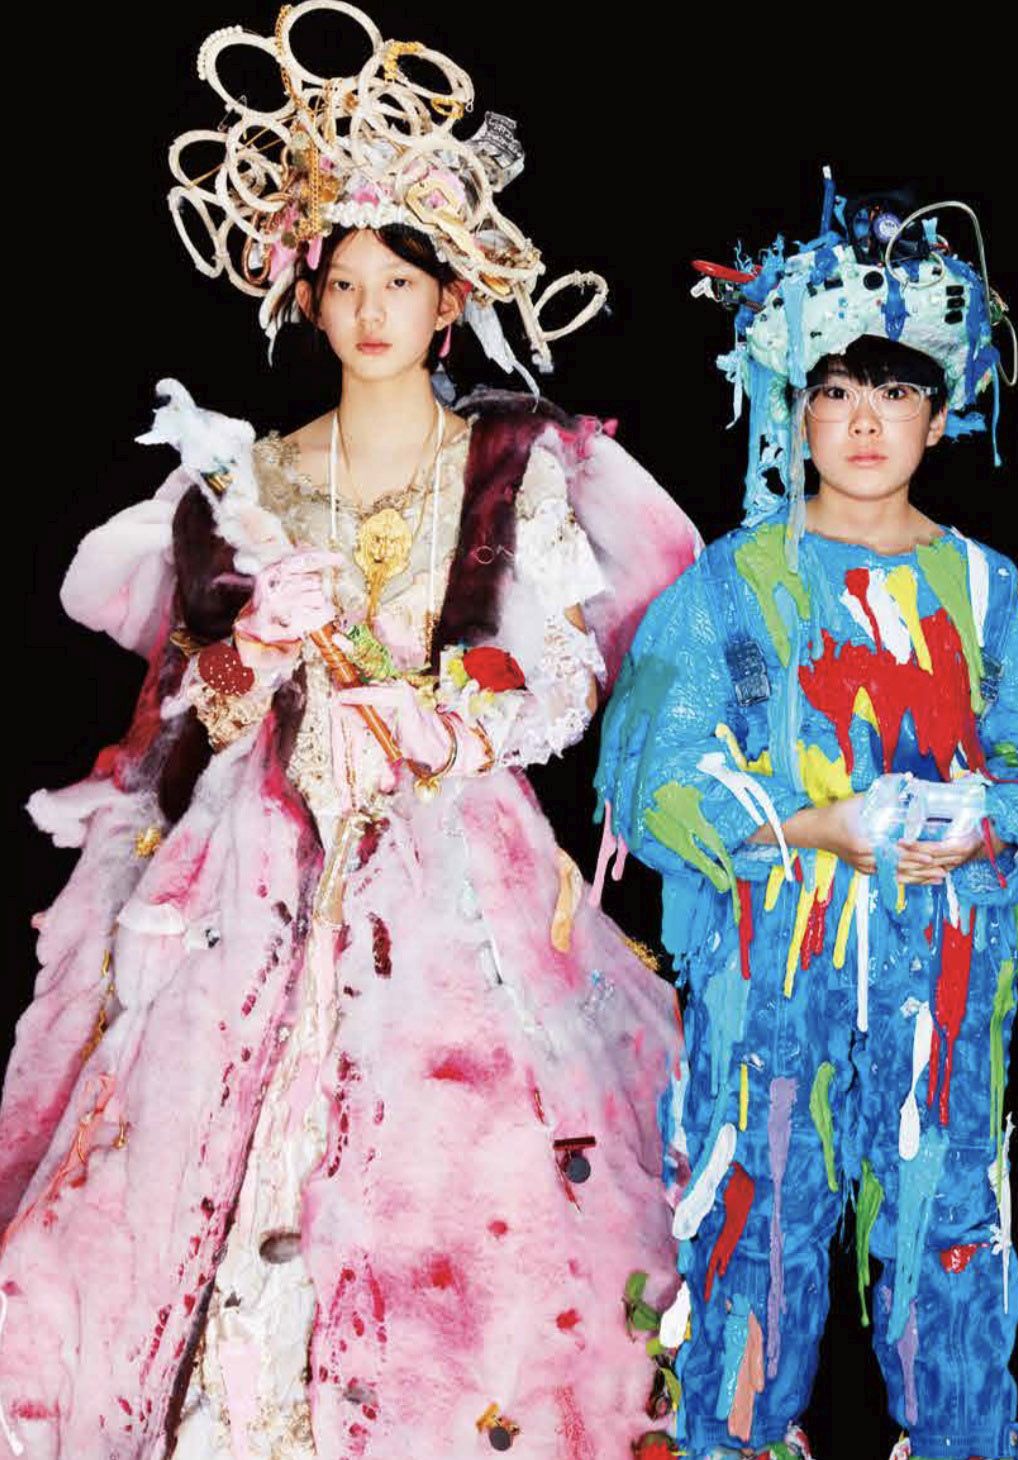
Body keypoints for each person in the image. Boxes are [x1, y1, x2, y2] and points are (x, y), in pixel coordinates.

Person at [0, 6, 700, 1455]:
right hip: (255, 859)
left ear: (449, 302)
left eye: (401, 282)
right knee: (184, 1153)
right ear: (306, 297)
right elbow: (193, 707)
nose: (372, 309)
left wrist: (438, 726)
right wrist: (249, 655)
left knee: (462, 1164)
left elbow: (560, 678)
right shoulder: (242, 480)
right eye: (346, 282)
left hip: (457, 867)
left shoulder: (516, 466)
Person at [595, 178, 1018, 1460]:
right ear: (794, 404)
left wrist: (980, 822)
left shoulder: (983, 590)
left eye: (895, 391)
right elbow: (651, 773)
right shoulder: (733, 584)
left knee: (949, 1239)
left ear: (942, 410)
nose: (865, 421)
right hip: (768, 982)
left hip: (943, 991)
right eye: (835, 391)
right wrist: (812, 826)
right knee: (752, 1234)